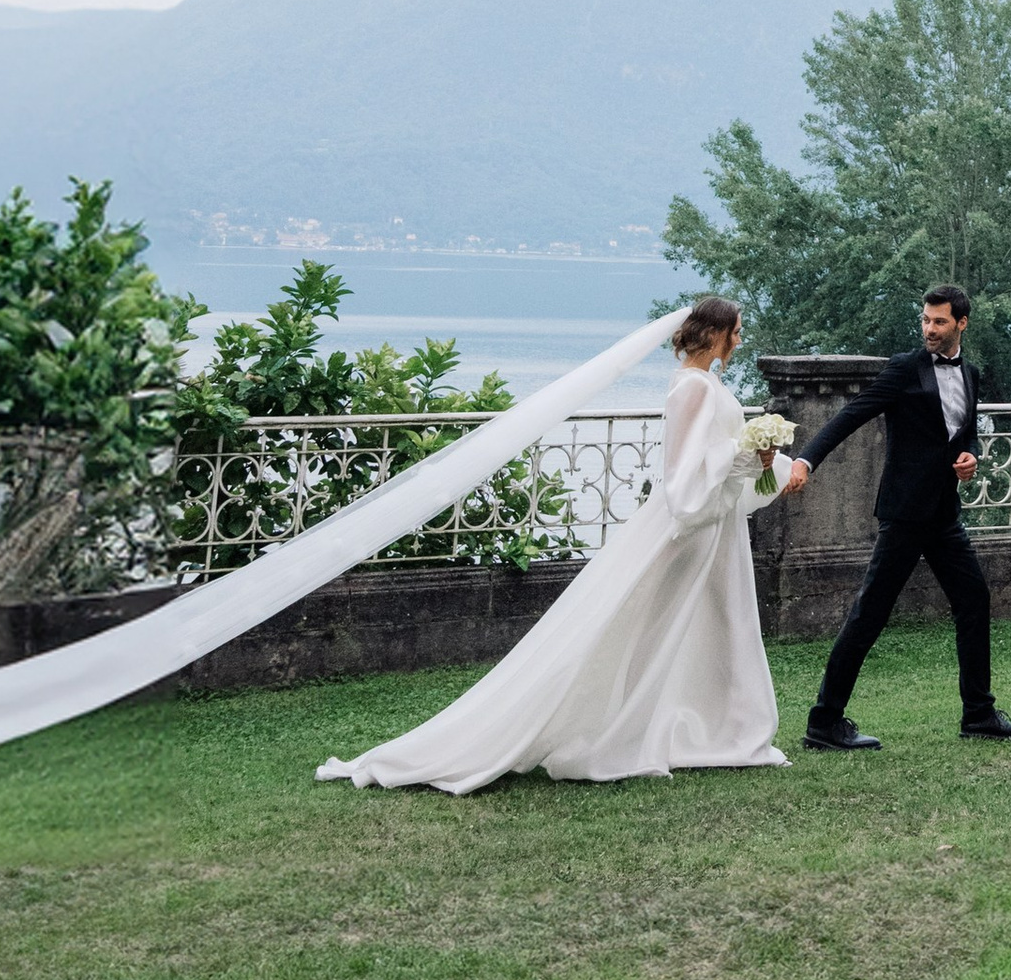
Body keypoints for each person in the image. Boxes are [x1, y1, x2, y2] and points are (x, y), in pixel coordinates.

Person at [319, 298, 788, 793]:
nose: (740, 338)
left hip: (716, 525)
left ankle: (713, 728)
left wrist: (771, 465)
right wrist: (746, 459)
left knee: (708, 624)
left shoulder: (708, 383)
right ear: (713, 333)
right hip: (691, 526)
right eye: (735, 330)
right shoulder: (692, 387)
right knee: (640, 625)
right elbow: (682, 473)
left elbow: (719, 453)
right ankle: (627, 729)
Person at [787, 285, 1011, 750]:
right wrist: (806, 460)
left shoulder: (971, 373)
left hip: (944, 515)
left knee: (974, 601)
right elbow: (852, 415)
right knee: (870, 614)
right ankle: (824, 721)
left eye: (939, 322)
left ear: (961, 323)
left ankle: (979, 714)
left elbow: (967, 432)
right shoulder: (904, 369)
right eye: (925, 320)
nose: (929, 329)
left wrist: (969, 457)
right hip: (904, 515)